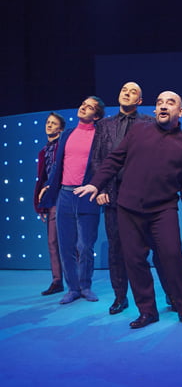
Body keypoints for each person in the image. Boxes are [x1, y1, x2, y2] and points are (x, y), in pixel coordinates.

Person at [74, 91, 182, 329]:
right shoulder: (139, 131)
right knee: (134, 260)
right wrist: (96, 184)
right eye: (160, 102)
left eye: (170, 103)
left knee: (173, 257)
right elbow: (114, 159)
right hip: (128, 208)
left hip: (163, 210)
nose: (164, 106)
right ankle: (147, 311)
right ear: (155, 110)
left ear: (180, 112)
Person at [91, 81, 154, 315]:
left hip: (142, 195)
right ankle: (120, 296)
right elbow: (97, 159)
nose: (127, 94)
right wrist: (101, 189)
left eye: (133, 92)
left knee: (149, 245)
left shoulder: (149, 123)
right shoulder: (104, 125)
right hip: (112, 195)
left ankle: (165, 293)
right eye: (124, 90)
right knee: (116, 247)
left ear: (140, 100)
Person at [39, 96, 106, 304]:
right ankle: (73, 288)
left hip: (87, 195)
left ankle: (85, 286)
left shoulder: (99, 136)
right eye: (83, 104)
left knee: (85, 245)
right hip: (65, 195)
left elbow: (104, 165)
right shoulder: (67, 134)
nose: (83, 107)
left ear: (96, 116)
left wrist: (102, 188)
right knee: (66, 246)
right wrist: (48, 185)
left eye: (90, 107)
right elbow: (57, 165)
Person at [34, 112, 65, 296]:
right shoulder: (44, 151)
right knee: (52, 241)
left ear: (60, 129)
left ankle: (79, 282)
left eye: (53, 123)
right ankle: (57, 280)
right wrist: (41, 204)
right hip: (51, 199)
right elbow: (42, 179)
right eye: (48, 122)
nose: (49, 125)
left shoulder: (64, 146)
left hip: (66, 195)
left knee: (72, 240)